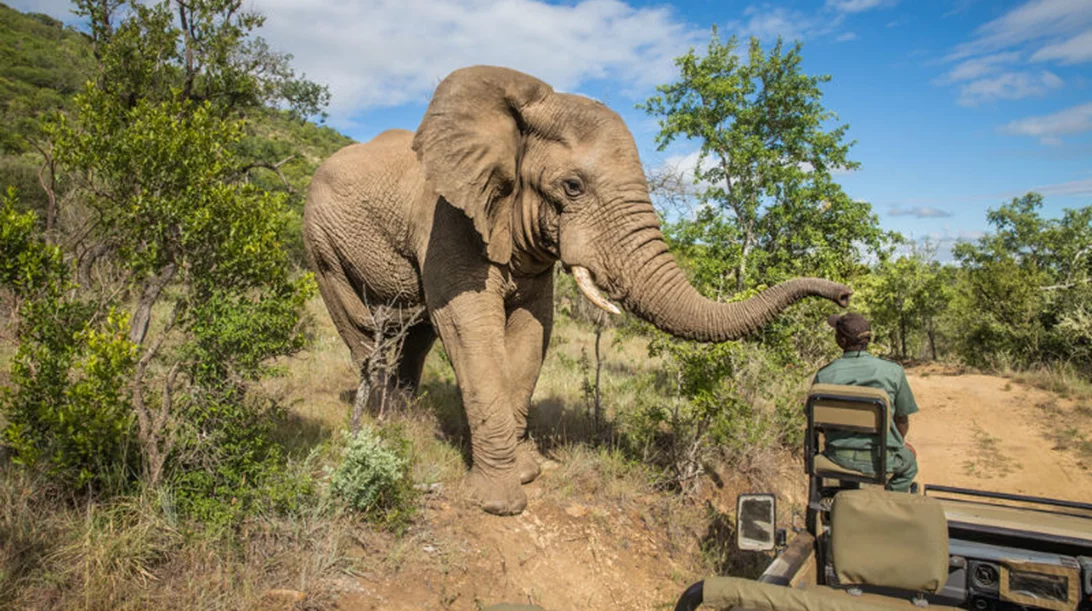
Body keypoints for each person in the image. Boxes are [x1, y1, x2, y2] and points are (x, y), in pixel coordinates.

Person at [813, 312, 919, 492]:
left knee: (847, 469)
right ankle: (892, 503)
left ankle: (848, 499)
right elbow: (902, 420)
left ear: (842, 341)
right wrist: (896, 444)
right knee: (909, 466)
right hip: (882, 458)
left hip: (838, 457)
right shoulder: (893, 372)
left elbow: (817, 423)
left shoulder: (824, 375)